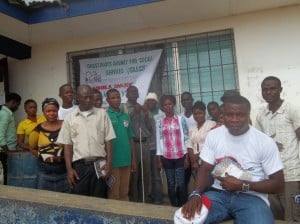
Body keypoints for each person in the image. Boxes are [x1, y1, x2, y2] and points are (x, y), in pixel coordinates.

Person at [181, 95, 284, 223]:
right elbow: (205, 169)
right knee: (185, 219)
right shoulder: (214, 135)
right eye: (230, 115)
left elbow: (278, 184)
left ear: (248, 115)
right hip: (218, 196)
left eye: (240, 115)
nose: (234, 119)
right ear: (223, 115)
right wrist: (196, 194)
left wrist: (243, 185)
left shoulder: (264, 142)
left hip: (252, 198)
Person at [57, 85, 115, 198]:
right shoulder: (70, 118)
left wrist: (109, 164)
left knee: (99, 200)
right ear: (77, 98)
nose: (88, 100)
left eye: (90, 97)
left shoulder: (102, 114)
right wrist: (69, 169)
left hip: (99, 165)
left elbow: (108, 141)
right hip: (79, 167)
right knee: (80, 201)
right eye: (85, 97)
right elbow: (67, 146)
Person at [255, 76, 300, 222]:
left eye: (272, 88)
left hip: (290, 174)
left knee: (292, 217)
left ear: (280, 89)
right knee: (275, 217)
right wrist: (270, 144)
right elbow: (257, 141)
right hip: (269, 176)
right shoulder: (261, 114)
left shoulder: (291, 109)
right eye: (265, 89)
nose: (268, 92)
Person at [29, 98, 69, 192]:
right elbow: (32, 147)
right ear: (43, 112)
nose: (51, 113)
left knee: (66, 199)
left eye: (54, 111)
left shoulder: (66, 125)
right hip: (44, 171)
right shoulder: (38, 129)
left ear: (58, 111)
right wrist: (42, 156)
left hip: (64, 170)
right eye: (48, 111)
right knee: (44, 198)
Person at [156, 94, 189, 207]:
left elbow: (186, 137)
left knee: (181, 183)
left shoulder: (181, 120)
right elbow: (159, 139)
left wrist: (187, 156)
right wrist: (159, 159)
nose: (168, 106)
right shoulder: (160, 122)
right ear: (162, 107)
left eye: (170, 104)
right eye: (165, 104)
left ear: (174, 104)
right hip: (167, 157)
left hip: (180, 155)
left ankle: (182, 205)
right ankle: (173, 206)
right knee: (170, 184)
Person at [121, 85, 151, 203]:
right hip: (132, 145)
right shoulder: (123, 107)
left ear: (138, 95)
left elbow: (150, 129)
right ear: (127, 95)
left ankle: (145, 199)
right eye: (131, 92)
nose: (134, 93)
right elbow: (123, 125)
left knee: (146, 174)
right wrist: (134, 113)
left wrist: (146, 114)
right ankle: (135, 200)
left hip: (144, 144)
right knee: (134, 175)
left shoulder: (143, 107)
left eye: (136, 92)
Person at [106, 88, 136, 201]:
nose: (116, 99)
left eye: (118, 97)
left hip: (126, 160)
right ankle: (113, 218)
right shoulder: (105, 116)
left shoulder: (125, 116)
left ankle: (125, 216)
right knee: (114, 193)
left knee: (124, 192)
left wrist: (133, 159)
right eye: (113, 97)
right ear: (108, 100)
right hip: (113, 162)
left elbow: (130, 138)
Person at [144, 92, 164, 204]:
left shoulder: (161, 114)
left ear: (156, 102)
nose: (150, 102)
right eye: (148, 100)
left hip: (156, 149)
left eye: (153, 100)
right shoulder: (143, 113)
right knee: (146, 174)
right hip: (144, 148)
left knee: (156, 175)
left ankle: (158, 199)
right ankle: (148, 196)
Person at [187, 101, 215, 178]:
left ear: (204, 113)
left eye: (200, 113)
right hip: (195, 163)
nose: (198, 116)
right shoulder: (192, 128)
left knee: (207, 184)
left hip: (207, 161)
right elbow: (190, 145)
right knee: (198, 186)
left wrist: (198, 156)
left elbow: (212, 145)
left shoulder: (211, 124)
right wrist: (193, 161)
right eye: (195, 114)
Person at [0, 92, 21, 185]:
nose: (17, 107)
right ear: (13, 102)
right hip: (4, 151)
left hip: (8, 149)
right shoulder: (5, 114)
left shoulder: (7, 113)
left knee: (8, 174)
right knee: (7, 175)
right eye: (17, 104)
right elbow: (0, 133)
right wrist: (6, 150)